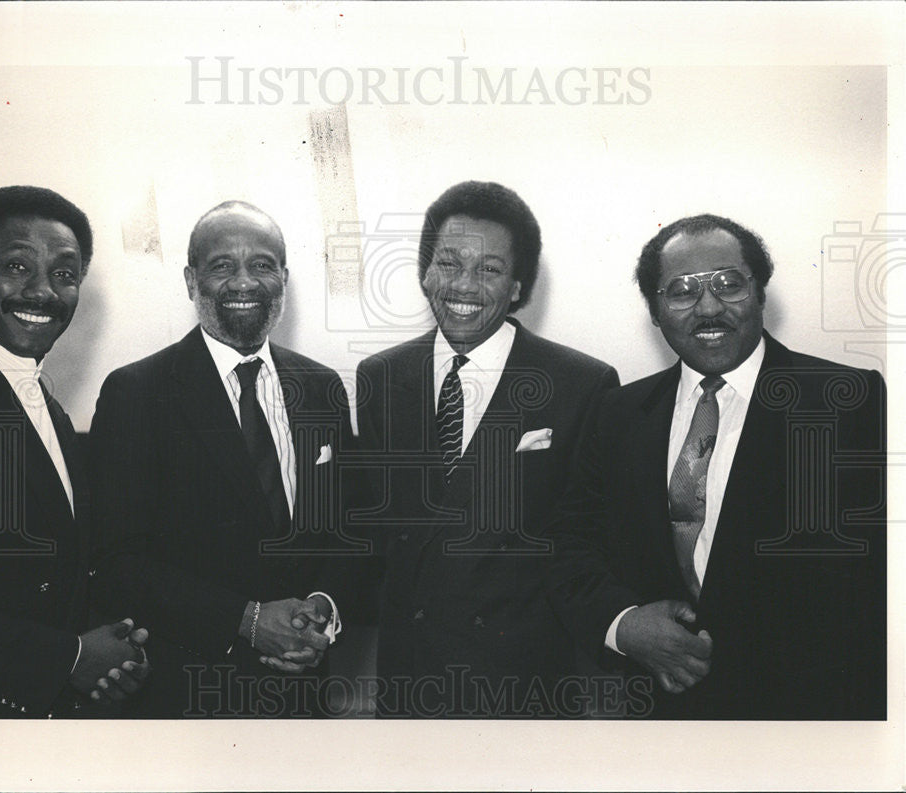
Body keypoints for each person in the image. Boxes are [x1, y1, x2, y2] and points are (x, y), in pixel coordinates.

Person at [547, 214, 886, 719]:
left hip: (809, 717)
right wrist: (623, 624)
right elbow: (571, 545)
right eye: (681, 291)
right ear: (656, 312)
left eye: (728, 284)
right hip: (660, 716)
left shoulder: (850, 402)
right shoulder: (617, 414)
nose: (708, 307)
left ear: (760, 293)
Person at [355, 181, 619, 717]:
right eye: (448, 263)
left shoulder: (582, 384)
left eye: (490, 269)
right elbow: (380, 535)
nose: (464, 286)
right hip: (409, 684)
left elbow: (589, 544)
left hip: (524, 688)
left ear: (519, 286)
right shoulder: (380, 377)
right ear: (423, 273)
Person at [89, 200, 357, 717]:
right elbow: (115, 562)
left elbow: (342, 532)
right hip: (191, 696)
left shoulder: (322, 388)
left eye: (261, 265)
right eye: (221, 266)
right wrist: (248, 619)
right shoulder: (137, 392)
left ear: (283, 278)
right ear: (192, 281)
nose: (243, 282)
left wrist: (325, 606)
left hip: (304, 692)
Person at [0, 185, 149, 718]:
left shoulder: (46, 404)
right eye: (18, 266)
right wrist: (69, 657)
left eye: (65, 274)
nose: (43, 292)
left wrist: (113, 653)